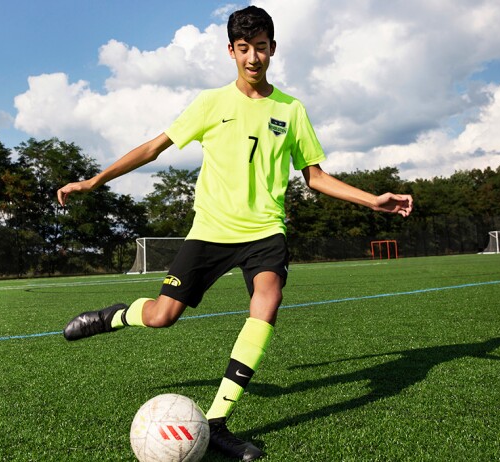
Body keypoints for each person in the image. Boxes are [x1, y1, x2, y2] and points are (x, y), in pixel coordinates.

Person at [56, 6, 413, 461]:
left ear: (273, 49)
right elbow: (152, 148)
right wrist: (92, 181)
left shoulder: (292, 109)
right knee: (163, 316)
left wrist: (372, 199)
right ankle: (112, 317)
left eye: (261, 48)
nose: (253, 58)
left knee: (268, 299)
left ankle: (218, 421)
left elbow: (316, 177)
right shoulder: (210, 103)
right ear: (231, 51)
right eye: (244, 49)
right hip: (210, 229)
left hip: (265, 230)